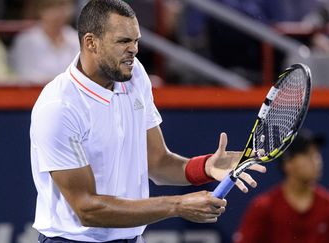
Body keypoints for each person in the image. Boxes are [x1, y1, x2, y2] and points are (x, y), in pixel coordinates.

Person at [30, 1, 266, 242]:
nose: (134, 50)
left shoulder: (134, 75)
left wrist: (206, 167)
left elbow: (157, 162)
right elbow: (87, 209)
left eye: (136, 41)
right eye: (123, 41)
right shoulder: (59, 107)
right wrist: (178, 205)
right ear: (91, 43)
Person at [234, 129, 329, 243]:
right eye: (307, 154)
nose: (316, 160)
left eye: (316, 154)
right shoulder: (263, 208)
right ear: (288, 163)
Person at [10, 0, 79, 83]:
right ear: (40, 10)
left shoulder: (77, 39)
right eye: (50, 6)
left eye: (62, 5)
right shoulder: (25, 41)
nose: (57, 13)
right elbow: (25, 77)